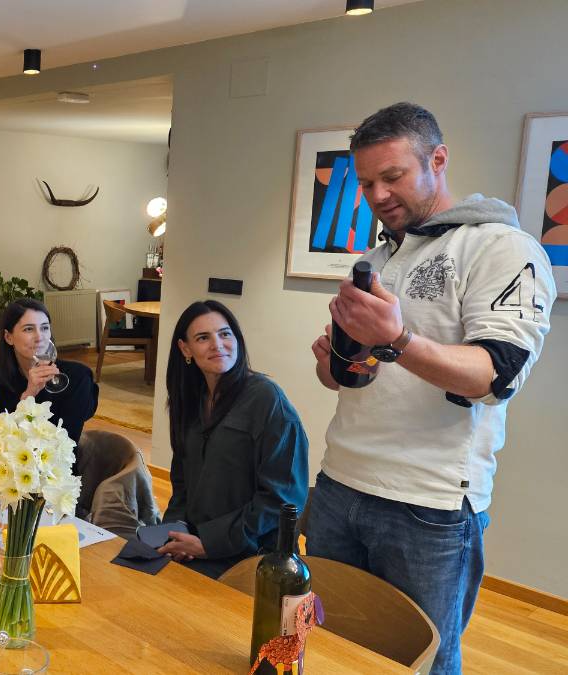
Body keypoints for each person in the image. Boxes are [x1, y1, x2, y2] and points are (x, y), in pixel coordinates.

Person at [307, 102, 555, 674]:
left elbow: (496, 374)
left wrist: (396, 340)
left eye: (392, 176)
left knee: (422, 662)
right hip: (340, 481)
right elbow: (348, 381)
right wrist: (337, 364)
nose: (377, 194)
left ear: (437, 160)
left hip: (429, 503)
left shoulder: (501, 248)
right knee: (328, 645)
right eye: (366, 182)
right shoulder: (374, 259)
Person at [157, 300, 308, 579]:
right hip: (192, 546)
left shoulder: (267, 400)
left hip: (250, 557)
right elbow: (182, 482)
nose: (217, 345)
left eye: (225, 334)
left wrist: (208, 543)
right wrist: (174, 533)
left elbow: (282, 499)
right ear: (185, 349)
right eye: (203, 338)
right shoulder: (189, 399)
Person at [0, 298, 98, 466]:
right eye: (29, 329)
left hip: (55, 473)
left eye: (44, 328)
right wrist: (29, 395)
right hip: (3, 467)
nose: (39, 337)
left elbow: (66, 442)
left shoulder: (77, 378)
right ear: (8, 337)